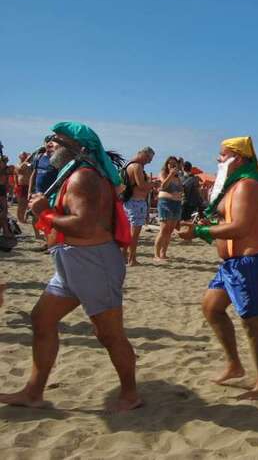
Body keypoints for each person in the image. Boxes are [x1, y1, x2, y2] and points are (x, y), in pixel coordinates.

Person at [0, 121, 140, 411]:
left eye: (56, 140)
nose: (49, 144)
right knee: (42, 319)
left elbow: (84, 226)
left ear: (78, 147)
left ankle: (130, 396)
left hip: (93, 263)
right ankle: (33, 392)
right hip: (72, 263)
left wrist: (44, 213)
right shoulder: (73, 174)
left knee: (109, 334)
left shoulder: (83, 178)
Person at [178, 137, 258, 400]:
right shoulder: (235, 185)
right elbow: (230, 222)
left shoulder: (248, 186)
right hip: (233, 264)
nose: (218, 159)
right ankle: (235, 365)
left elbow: (240, 228)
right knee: (211, 307)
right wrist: (207, 227)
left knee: (254, 324)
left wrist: (199, 231)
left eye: (223, 155)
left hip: (251, 262)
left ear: (239, 158)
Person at [122, 147, 155, 266]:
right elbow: (141, 185)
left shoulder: (127, 165)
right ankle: (132, 259)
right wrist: (153, 184)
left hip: (129, 202)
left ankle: (124, 256)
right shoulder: (137, 166)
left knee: (128, 232)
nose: (149, 162)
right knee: (134, 234)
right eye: (149, 158)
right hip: (136, 202)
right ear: (143, 154)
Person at [154, 156, 183, 261]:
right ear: (166, 164)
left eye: (174, 163)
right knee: (163, 230)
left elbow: (181, 189)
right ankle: (156, 255)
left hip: (177, 204)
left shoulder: (178, 176)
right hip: (166, 203)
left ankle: (163, 253)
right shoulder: (163, 173)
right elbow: (163, 186)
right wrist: (170, 175)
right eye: (170, 163)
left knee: (169, 231)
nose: (172, 165)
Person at [14, 152, 33, 223]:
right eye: (23, 154)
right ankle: (19, 218)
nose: (25, 155)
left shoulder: (28, 164)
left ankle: (23, 217)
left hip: (28, 186)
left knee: (26, 203)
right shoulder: (18, 165)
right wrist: (16, 184)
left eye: (25, 154)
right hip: (21, 186)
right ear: (19, 156)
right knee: (21, 203)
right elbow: (19, 170)